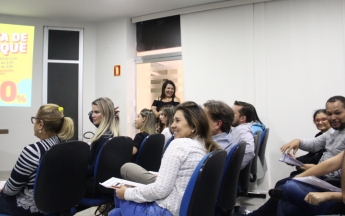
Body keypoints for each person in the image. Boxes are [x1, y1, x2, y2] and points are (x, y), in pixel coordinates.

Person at [109, 101, 220, 216]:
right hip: (185, 208)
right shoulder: (204, 145)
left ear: (193, 126)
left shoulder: (179, 144)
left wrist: (127, 193)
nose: (172, 125)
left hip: (168, 210)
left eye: (177, 121)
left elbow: (160, 190)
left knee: (116, 205)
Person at [246, 96, 345, 216]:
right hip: (324, 178)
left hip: (332, 183)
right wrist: (298, 141)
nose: (333, 118)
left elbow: (334, 169)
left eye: (338, 113)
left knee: (288, 187)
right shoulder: (334, 131)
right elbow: (324, 155)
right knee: (287, 203)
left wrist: (309, 173)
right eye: (329, 114)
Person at [0, 104, 74, 215]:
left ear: (40, 124)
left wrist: (4, 189)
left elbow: (10, 190)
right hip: (60, 205)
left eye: (34, 120)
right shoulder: (66, 147)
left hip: (33, 208)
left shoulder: (33, 151)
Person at [276, 150, 345, 216]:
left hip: (339, 204)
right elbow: (329, 165)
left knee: (289, 187)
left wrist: (329, 196)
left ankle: (283, 192)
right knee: (286, 206)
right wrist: (297, 178)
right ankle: (284, 192)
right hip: (338, 194)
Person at [87, 97, 120, 177]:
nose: (92, 115)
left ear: (106, 114)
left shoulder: (102, 139)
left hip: (93, 182)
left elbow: (93, 169)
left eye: (96, 112)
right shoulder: (112, 134)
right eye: (92, 112)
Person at [227, 100, 255, 169]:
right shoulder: (241, 128)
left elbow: (249, 150)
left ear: (242, 118)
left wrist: (232, 169)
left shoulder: (242, 130)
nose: (229, 116)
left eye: (233, 114)